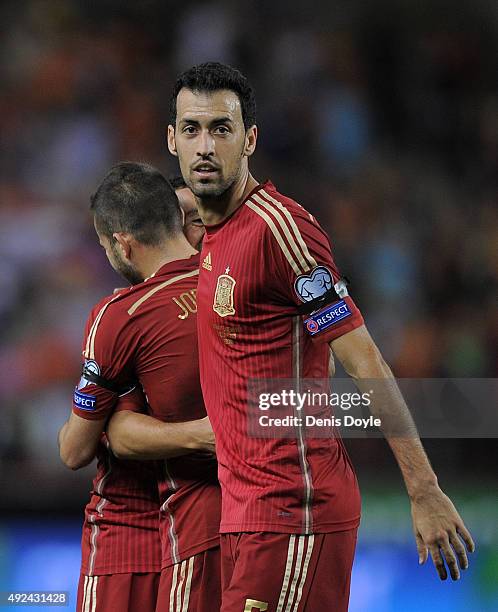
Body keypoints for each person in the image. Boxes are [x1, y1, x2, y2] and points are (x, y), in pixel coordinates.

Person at [167, 62, 475, 611]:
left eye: (221, 128)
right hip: (248, 514)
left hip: (293, 513)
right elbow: (306, 357)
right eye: (192, 129)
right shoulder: (213, 236)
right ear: (172, 140)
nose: (205, 145)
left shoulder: (279, 230)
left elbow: (363, 361)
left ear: (250, 139)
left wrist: (423, 490)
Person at [58, 163, 220, 612]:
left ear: (121, 244)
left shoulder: (119, 315)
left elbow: (74, 451)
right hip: (211, 524)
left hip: (125, 540)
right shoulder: (229, 289)